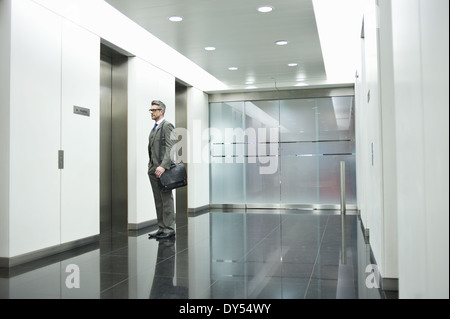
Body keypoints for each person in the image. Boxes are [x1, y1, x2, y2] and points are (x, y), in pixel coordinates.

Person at [147, 100, 176, 240]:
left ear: (161, 111)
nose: (151, 112)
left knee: (166, 199)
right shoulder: (154, 128)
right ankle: (161, 228)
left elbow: (171, 148)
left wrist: (163, 166)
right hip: (153, 169)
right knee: (158, 199)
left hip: (162, 169)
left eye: (154, 110)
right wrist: (151, 166)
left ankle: (169, 229)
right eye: (150, 110)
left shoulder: (167, 125)